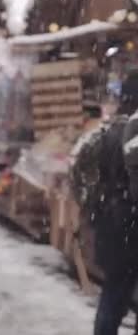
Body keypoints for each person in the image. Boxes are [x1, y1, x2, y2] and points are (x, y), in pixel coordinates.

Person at [71, 75, 138, 335]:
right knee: (118, 294)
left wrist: (94, 213)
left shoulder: (107, 133)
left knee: (113, 293)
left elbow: (85, 178)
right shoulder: (128, 132)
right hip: (128, 221)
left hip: (114, 223)